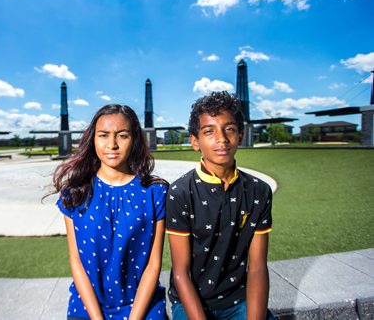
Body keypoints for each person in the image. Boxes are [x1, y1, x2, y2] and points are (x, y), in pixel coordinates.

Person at [52, 104, 168, 320]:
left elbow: (153, 265)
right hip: (88, 307)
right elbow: (76, 262)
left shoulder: (155, 192)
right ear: (93, 139)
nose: (112, 145)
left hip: (143, 306)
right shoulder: (75, 193)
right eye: (103, 135)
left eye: (122, 136)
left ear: (134, 139)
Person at [166, 92, 274, 320]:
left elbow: (257, 268)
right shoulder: (180, 192)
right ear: (195, 141)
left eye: (230, 129)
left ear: (241, 135)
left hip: (238, 299)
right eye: (209, 131)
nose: (222, 139)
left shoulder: (259, 191)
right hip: (191, 301)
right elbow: (181, 273)